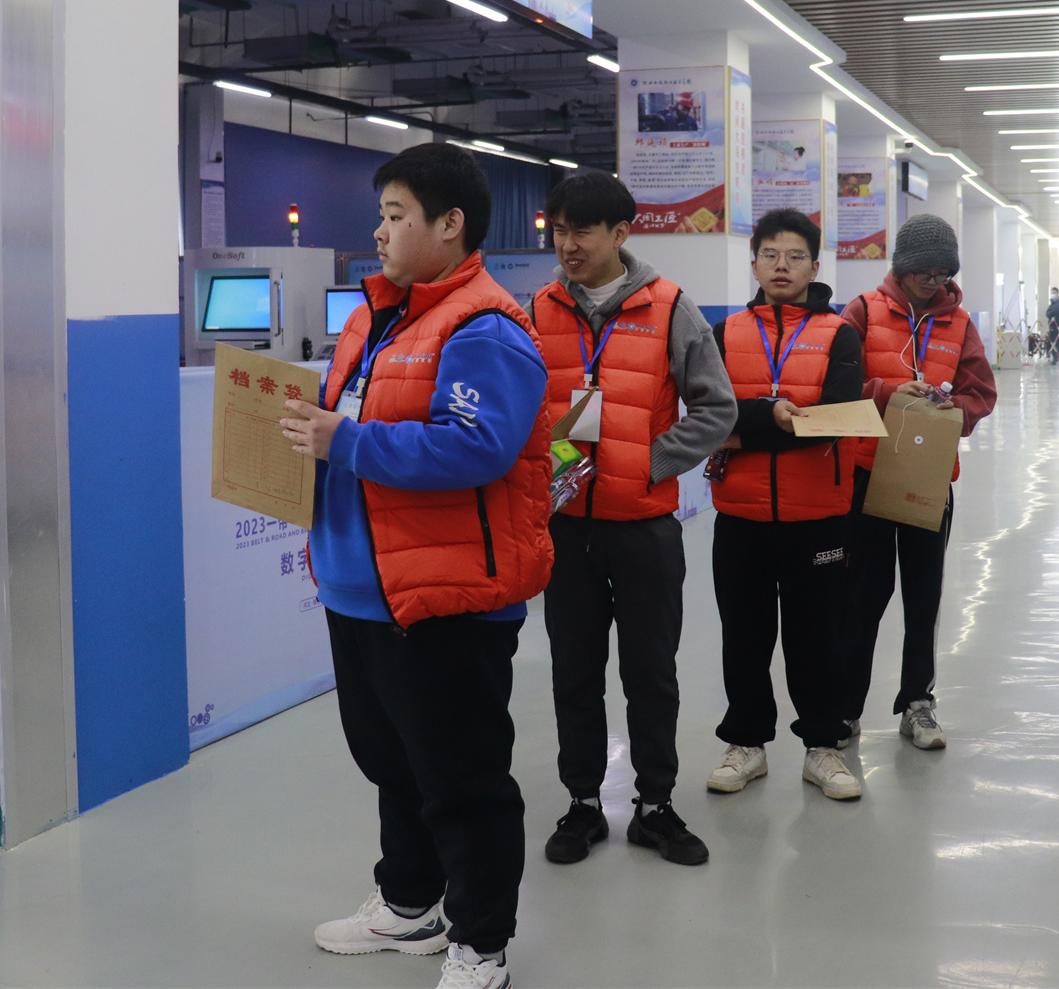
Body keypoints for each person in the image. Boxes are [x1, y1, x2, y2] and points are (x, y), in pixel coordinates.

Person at [280, 143, 551, 989]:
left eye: (396, 216)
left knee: (462, 781)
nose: (380, 231)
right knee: (393, 765)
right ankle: (409, 904)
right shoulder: (375, 318)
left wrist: (345, 440)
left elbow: (478, 448)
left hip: (444, 598)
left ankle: (482, 944)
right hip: (360, 589)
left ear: (450, 224)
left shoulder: (485, 328)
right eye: (383, 215)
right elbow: (345, 423)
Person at [527, 172, 736, 868]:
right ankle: (583, 802)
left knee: (650, 673)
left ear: (621, 233)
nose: (568, 244)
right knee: (573, 670)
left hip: (645, 526)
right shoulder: (539, 308)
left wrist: (651, 462)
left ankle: (655, 806)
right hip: (566, 526)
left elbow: (717, 408)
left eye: (582, 231)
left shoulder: (670, 307)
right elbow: (525, 403)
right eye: (559, 230)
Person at [704, 207, 866, 801]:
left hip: (818, 515)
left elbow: (836, 418)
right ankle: (746, 743)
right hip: (740, 515)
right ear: (753, 264)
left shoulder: (839, 333)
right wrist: (771, 414)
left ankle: (824, 746)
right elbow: (709, 413)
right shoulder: (725, 333)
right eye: (770, 255)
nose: (781, 266)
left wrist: (744, 430)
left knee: (818, 636)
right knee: (743, 634)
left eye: (795, 256)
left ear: (815, 267)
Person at [840, 214, 996, 752]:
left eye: (942, 273)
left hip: (928, 477)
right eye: (923, 273)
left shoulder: (959, 323)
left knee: (924, 596)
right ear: (901, 268)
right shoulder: (861, 312)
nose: (934, 282)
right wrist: (886, 392)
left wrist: (956, 410)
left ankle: (918, 703)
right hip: (867, 473)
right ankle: (846, 708)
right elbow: (837, 385)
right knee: (862, 596)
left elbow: (981, 391)